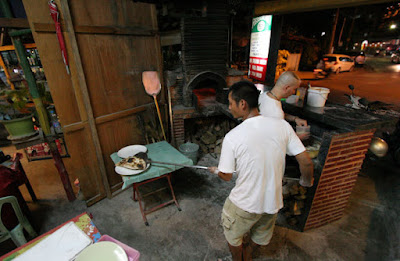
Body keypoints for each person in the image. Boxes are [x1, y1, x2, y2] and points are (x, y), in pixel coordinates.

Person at [208, 81, 314, 261]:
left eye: (230, 103)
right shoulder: (282, 126)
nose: (229, 107)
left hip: (244, 204)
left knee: (233, 237)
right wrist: (306, 181)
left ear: (242, 104)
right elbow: (306, 162)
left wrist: (216, 170)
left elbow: (226, 176)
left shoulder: (232, 137)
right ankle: (249, 254)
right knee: (260, 236)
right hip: (271, 203)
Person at [258, 71, 309, 139]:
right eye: (294, 89)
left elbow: (274, 116)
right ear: (287, 88)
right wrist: (298, 137)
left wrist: (295, 119)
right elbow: (278, 141)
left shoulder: (264, 95)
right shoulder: (276, 112)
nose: (294, 92)